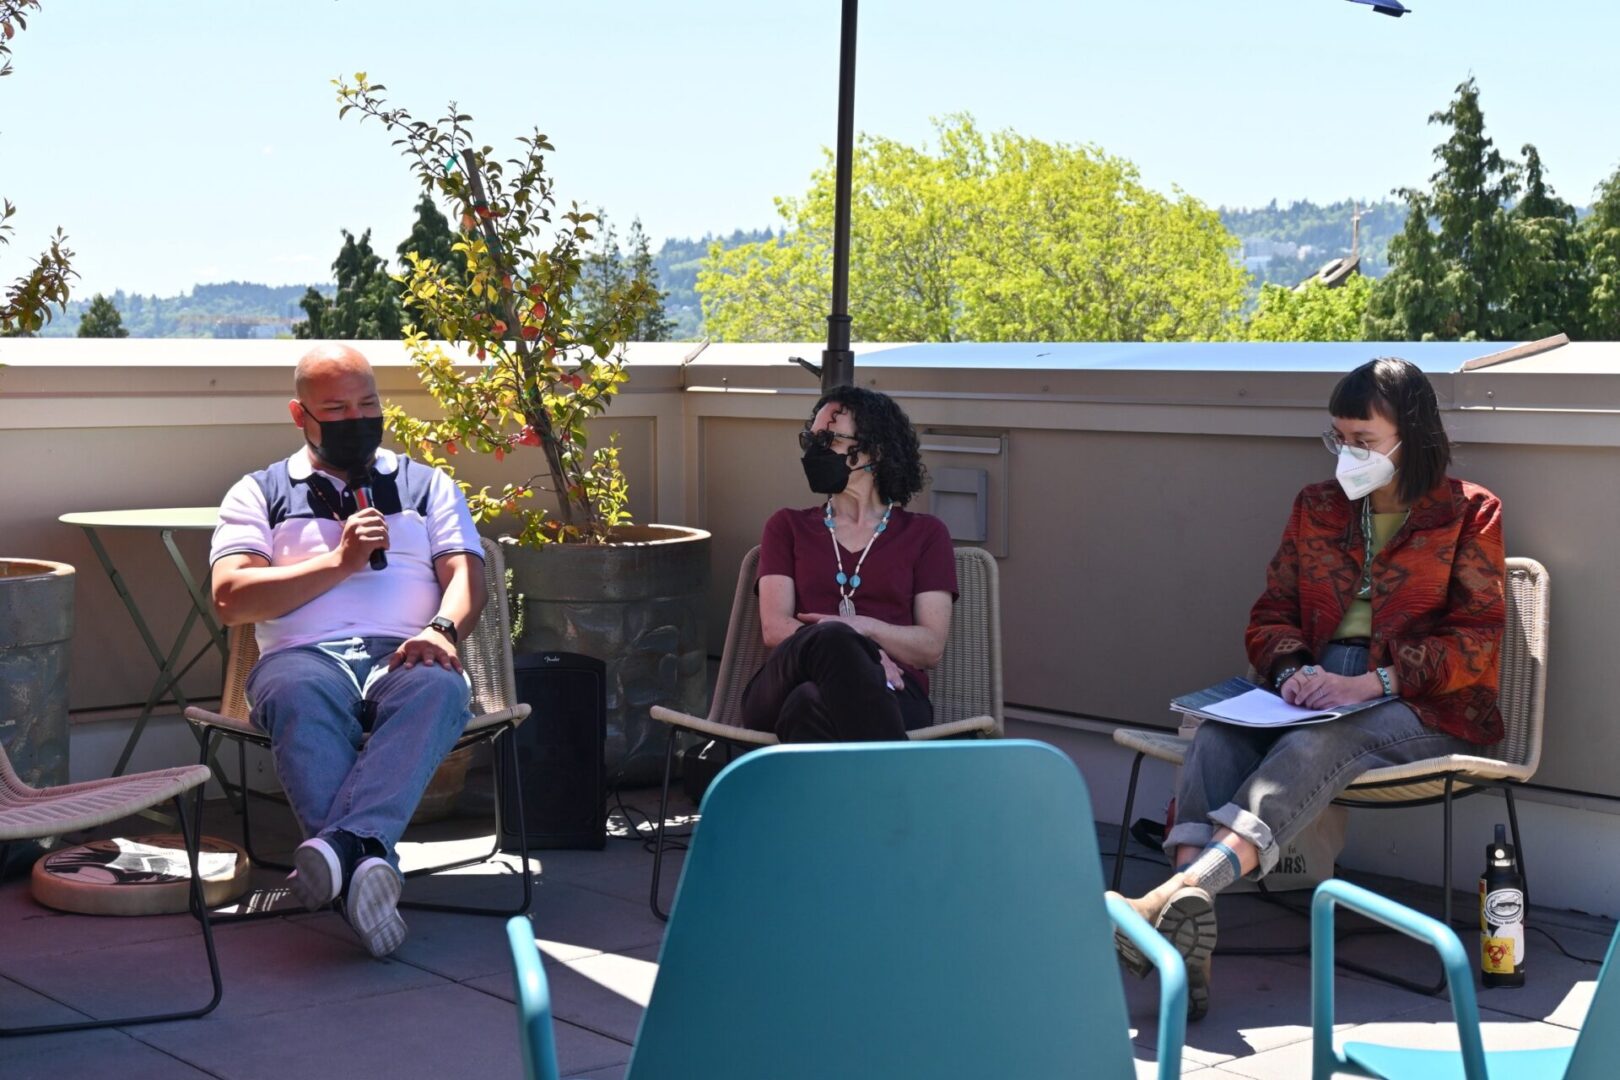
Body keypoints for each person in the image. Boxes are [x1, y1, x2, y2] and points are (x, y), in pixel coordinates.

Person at [1113, 357, 1506, 1020]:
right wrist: (1294, 672)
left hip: (1421, 704)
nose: (1346, 453)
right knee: (1216, 736)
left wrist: (1373, 682)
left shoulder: (1469, 512)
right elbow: (1272, 612)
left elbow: (1478, 641)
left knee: (1327, 738)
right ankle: (1189, 942)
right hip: (1315, 682)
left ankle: (1181, 892)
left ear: (1412, 435)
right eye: (1338, 437)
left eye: (1363, 439)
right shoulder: (1316, 507)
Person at [208, 344, 487, 958]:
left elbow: (468, 577)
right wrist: (339, 562)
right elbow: (231, 598)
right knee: (295, 694)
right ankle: (367, 859)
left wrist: (441, 630)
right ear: (300, 414)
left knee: (440, 686)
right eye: (336, 408)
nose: (356, 418)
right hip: (303, 657)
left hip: (407, 651)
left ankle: (343, 854)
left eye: (369, 404)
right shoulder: (259, 493)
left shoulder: (427, 484)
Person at [742, 386, 956, 742]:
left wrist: (860, 629)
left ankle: (828, 798)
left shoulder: (926, 534)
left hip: (895, 692)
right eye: (812, 439)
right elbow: (775, 628)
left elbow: (930, 647)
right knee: (831, 639)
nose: (816, 451)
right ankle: (899, 789)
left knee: (808, 704)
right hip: (782, 684)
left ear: (875, 449)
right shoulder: (787, 526)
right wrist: (862, 652)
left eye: (831, 439)